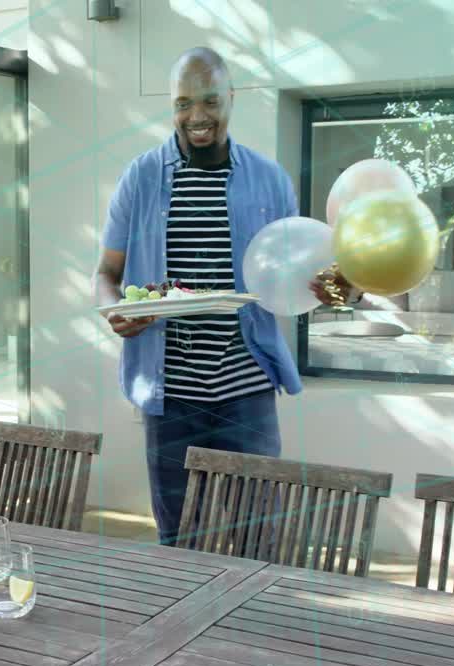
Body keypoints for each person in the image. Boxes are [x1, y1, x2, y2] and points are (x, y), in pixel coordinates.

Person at [94, 47, 306, 546]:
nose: (197, 116)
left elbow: (297, 269)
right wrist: (115, 309)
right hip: (170, 394)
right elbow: (106, 273)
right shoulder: (141, 177)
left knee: (259, 538)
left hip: (247, 388)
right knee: (179, 538)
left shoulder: (269, 179)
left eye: (210, 101)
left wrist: (337, 283)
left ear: (231, 97)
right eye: (183, 103)